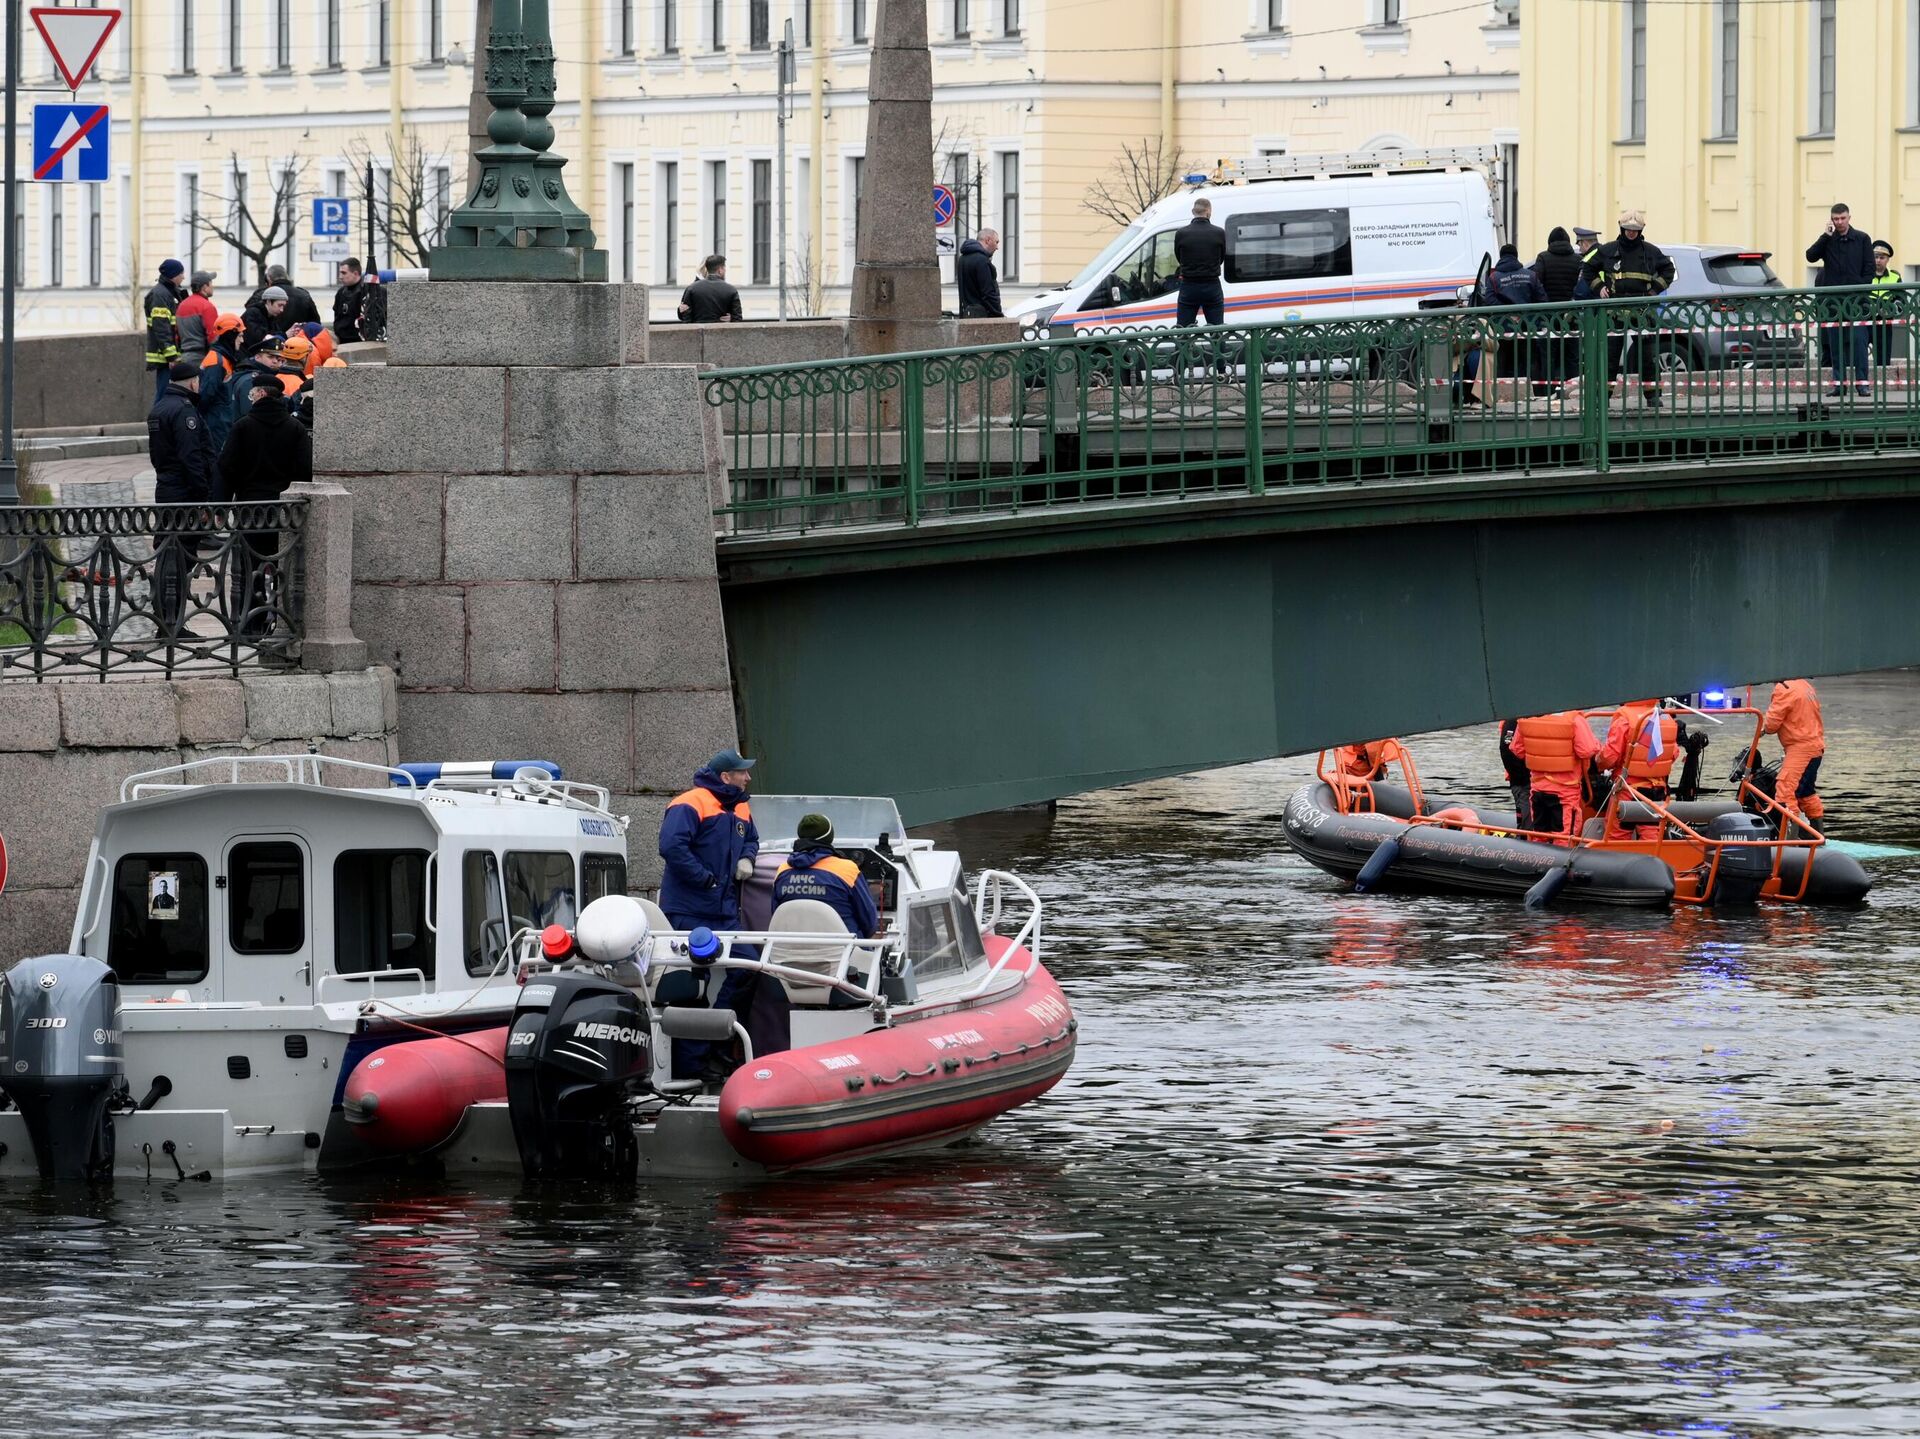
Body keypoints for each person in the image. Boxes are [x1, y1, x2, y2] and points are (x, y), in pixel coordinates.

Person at [659, 750, 762, 1081]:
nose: (747, 778)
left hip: (723, 911)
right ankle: (693, 1063)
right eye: (742, 773)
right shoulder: (690, 803)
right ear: (725, 777)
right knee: (692, 987)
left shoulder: (741, 806)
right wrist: (706, 878)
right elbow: (672, 847)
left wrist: (747, 859)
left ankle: (716, 1040)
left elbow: (752, 840)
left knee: (749, 969)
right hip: (690, 911)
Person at [217, 369, 313, 637]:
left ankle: (252, 624)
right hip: (285, 510)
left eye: (251, 394)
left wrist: (221, 507)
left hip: (251, 508)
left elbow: (227, 469)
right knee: (287, 566)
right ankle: (285, 622)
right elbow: (305, 470)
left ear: (259, 394)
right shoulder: (294, 428)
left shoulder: (243, 426)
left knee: (250, 566)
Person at [1579, 210, 1674, 409]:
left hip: (1643, 310)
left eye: (1636, 230)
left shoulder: (1651, 251)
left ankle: (1653, 396)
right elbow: (1587, 267)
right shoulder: (1607, 249)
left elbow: (1668, 270)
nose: (1632, 233)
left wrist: (1655, 289)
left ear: (1641, 230)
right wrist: (1599, 287)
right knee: (1610, 356)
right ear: (1621, 228)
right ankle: (1601, 397)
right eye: (1629, 230)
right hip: (1614, 311)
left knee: (1648, 356)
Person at [147, 359, 213, 635]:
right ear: (193, 382)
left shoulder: (159, 408)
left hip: (166, 488)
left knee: (168, 551)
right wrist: (203, 498)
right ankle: (172, 622)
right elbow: (191, 457)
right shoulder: (184, 411)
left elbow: (157, 456)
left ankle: (165, 619)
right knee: (181, 556)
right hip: (184, 493)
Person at [773, 813, 881, 939]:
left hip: (789, 953)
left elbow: (776, 914)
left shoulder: (782, 870)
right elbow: (869, 922)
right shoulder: (847, 870)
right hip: (844, 953)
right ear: (829, 838)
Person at [1806, 202, 1875, 397]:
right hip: (1833, 303)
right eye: (1836, 219)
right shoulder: (1828, 240)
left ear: (1849, 218)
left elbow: (1869, 269)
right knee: (1835, 345)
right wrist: (1825, 236)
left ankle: (1862, 384)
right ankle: (1839, 384)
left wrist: (1859, 289)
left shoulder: (1862, 238)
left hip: (1856, 302)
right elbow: (1810, 257)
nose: (1839, 222)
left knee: (1859, 342)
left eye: (1842, 218)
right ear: (1831, 220)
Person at [1508, 710, 1600, 841]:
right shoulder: (1575, 719)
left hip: (1538, 790)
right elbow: (1587, 751)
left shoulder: (1528, 716)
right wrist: (1596, 743)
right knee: (1564, 838)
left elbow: (1517, 749)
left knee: (1539, 835)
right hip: (1565, 793)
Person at [1599, 699, 1679, 838]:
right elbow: (1673, 753)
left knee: (1616, 836)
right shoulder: (1665, 718)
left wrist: (1597, 763)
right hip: (1657, 791)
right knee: (1652, 838)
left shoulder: (1625, 718)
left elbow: (1610, 756)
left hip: (1627, 790)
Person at [1761, 678, 1826, 827]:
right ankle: (1815, 833)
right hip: (1815, 746)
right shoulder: (1804, 684)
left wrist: (1764, 729)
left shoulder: (1783, 687)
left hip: (1800, 748)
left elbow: (1772, 724)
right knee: (1806, 793)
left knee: (1784, 792)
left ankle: (1791, 837)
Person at [1532, 226, 1585, 395]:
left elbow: (1536, 283)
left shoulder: (1543, 258)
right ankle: (1573, 392)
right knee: (1573, 357)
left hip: (1548, 315)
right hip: (1572, 316)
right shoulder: (1578, 260)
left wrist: (1544, 303)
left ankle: (1548, 393)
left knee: (1548, 357)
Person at [1489, 242, 1547, 392]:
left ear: (1501, 257)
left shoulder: (1494, 278)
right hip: (1527, 326)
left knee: (1502, 361)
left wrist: (1508, 313)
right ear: (1516, 256)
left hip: (1502, 327)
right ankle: (1534, 393)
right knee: (1529, 361)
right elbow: (1542, 300)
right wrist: (1524, 314)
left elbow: (1489, 300)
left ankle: (1500, 393)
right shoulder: (1530, 275)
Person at [1173, 197, 1227, 329]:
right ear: (1208, 212)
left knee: (1183, 331)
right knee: (1217, 330)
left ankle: (1184, 348)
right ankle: (1218, 347)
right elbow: (1221, 258)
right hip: (1212, 285)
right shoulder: (1219, 233)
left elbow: (1179, 257)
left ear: (1193, 211)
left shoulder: (1181, 233)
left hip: (1189, 286)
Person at [197, 312, 245, 454]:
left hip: (219, 420)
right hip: (216, 422)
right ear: (231, 335)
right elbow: (205, 396)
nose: (242, 341)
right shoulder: (217, 362)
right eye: (240, 336)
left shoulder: (222, 358)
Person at [143, 259, 187, 405]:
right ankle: (158, 424)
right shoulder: (160, 295)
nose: (183, 277)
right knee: (164, 394)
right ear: (173, 275)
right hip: (165, 357)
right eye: (181, 273)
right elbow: (161, 328)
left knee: (170, 394)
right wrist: (172, 356)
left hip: (169, 355)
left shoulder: (169, 292)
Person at [246, 264, 321, 327]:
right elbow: (315, 324)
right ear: (287, 277)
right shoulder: (304, 295)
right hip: (298, 342)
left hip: (268, 342)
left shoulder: (261, 295)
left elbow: (250, 319)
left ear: (268, 278)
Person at [677, 255, 744, 323]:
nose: (725, 271)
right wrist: (732, 318)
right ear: (720, 270)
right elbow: (738, 319)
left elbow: (685, 316)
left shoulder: (691, 288)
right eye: (724, 268)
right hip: (721, 331)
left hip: (698, 331)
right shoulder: (731, 290)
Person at [956, 229, 1004, 318]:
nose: (997, 247)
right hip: (984, 316)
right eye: (996, 242)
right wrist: (998, 314)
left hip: (967, 314)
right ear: (988, 240)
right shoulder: (982, 261)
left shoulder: (962, 259)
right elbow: (988, 293)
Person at [1869, 241, 1901, 371]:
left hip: (1884, 321)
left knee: (1883, 357)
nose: (1878, 260)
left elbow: (1900, 300)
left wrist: (1888, 310)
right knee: (1857, 354)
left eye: (1882, 257)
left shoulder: (1895, 277)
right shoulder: (1865, 275)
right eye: (1875, 257)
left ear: (1887, 259)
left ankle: (1882, 385)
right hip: (1865, 320)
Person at [175, 270, 219, 362]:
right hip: (201, 358)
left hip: (184, 357)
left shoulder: (182, 305)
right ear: (204, 287)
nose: (212, 286)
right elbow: (213, 337)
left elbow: (177, 335)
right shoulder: (207, 307)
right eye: (211, 283)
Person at [333, 258, 373, 343]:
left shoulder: (366, 291)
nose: (340, 277)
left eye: (344, 273)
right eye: (340, 273)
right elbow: (337, 315)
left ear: (355, 273)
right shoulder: (341, 292)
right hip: (342, 339)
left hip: (359, 341)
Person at [242, 287, 291, 355]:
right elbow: (260, 339)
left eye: (283, 306)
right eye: (279, 305)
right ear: (268, 302)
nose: (281, 310)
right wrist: (285, 335)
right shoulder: (253, 314)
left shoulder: (271, 316)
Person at [1570, 226, 1602, 299]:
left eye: (1579, 245)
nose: (1580, 250)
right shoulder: (1605, 253)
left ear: (1585, 243)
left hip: (1592, 304)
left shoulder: (1588, 260)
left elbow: (1581, 291)